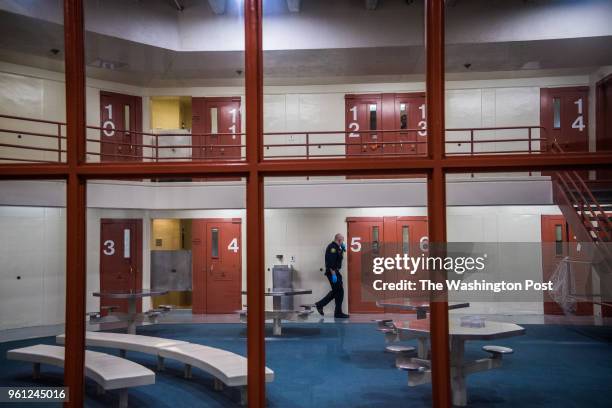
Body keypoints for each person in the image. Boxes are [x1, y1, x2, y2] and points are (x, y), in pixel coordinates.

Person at [315, 233, 350, 318]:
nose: (343, 242)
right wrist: (334, 274)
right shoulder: (332, 247)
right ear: (339, 240)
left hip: (336, 272)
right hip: (332, 272)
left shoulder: (337, 247)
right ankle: (323, 306)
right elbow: (331, 262)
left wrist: (342, 249)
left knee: (338, 291)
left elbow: (337, 259)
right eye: (342, 240)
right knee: (338, 291)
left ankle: (324, 306)